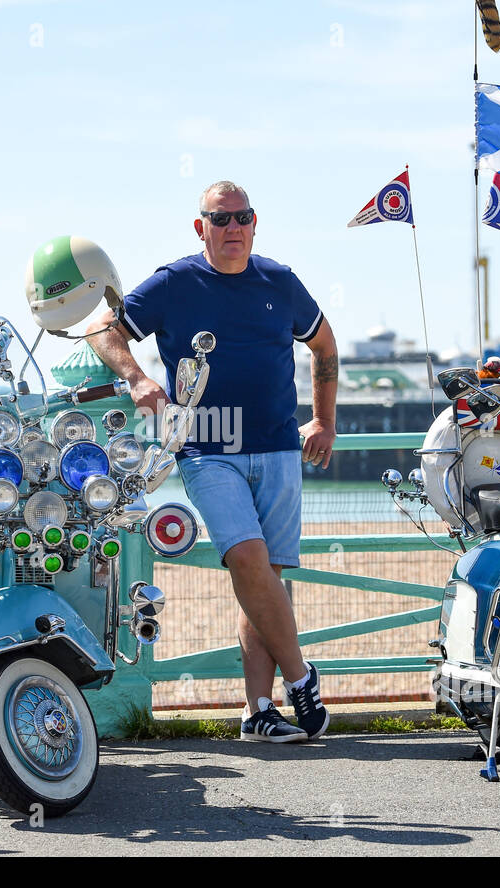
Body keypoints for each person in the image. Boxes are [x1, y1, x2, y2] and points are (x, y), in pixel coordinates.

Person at [85, 181, 339, 742]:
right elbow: (101, 329)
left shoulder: (280, 280)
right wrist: (137, 377)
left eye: (241, 217)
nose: (232, 228)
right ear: (200, 227)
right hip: (205, 446)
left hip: (277, 445)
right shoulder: (175, 282)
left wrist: (323, 421)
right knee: (248, 559)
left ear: (255, 222)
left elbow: (323, 345)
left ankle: (257, 712)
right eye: (219, 219)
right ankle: (301, 676)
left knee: (262, 579)